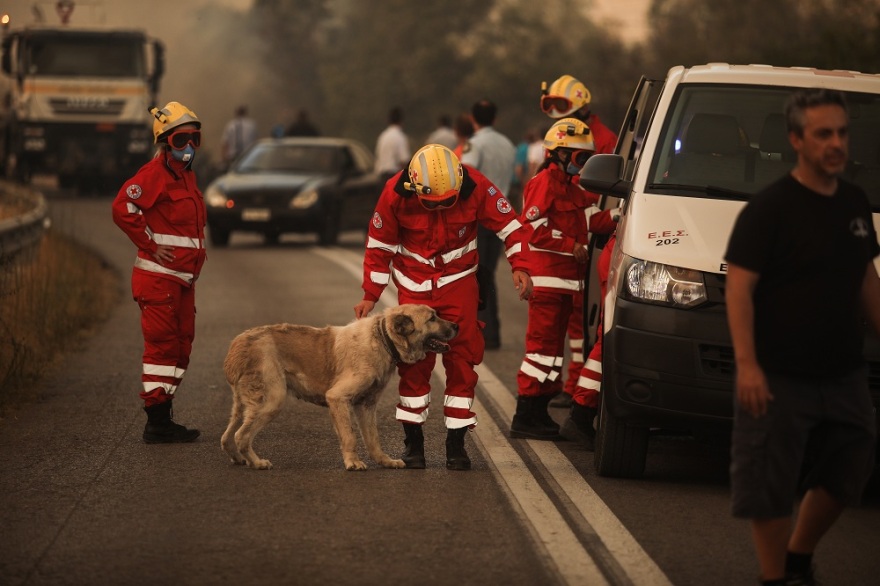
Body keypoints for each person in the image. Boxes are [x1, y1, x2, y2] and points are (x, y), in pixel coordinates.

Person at [725, 89, 880, 586]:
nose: (837, 143)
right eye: (823, 134)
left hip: (842, 372)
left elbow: (866, 279)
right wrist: (748, 365)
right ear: (796, 140)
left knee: (851, 467)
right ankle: (777, 577)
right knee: (769, 481)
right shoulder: (769, 210)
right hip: (778, 373)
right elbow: (739, 291)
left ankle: (799, 555)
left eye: (841, 132)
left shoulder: (854, 203)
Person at [354, 144, 533, 470]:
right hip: (413, 286)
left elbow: (512, 226)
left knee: (463, 359)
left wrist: (520, 265)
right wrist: (371, 293)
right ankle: (415, 445)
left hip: (459, 284)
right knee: (413, 364)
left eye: (447, 203)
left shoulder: (475, 185)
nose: (439, 208)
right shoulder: (395, 192)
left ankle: (456, 445)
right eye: (432, 203)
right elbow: (379, 247)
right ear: (413, 185)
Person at [511, 118, 617, 440]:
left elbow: (590, 221)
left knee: (553, 353)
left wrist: (619, 215)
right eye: (578, 157)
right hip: (547, 282)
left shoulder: (573, 188)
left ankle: (539, 410)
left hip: (567, 285)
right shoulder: (544, 182)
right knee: (541, 351)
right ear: (558, 154)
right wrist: (569, 245)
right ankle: (526, 414)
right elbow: (533, 229)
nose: (582, 164)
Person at [111, 101, 206, 444]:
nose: (189, 147)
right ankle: (157, 421)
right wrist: (149, 244)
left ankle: (163, 411)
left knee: (181, 348)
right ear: (166, 143)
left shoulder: (188, 176)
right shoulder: (153, 175)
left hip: (181, 281)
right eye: (181, 141)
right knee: (162, 348)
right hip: (158, 279)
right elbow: (123, 207)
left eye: (195, 139)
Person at [540, 74, 620, 421]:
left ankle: (575, 386)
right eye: (554, 107)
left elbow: (598, 194)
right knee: (571, 321)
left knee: (582, 320)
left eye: (563, 106)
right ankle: (567, 385)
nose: (558, 114)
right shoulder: (568, 139)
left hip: (589, 231)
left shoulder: (603, 140)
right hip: (573, 233)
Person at [460, 99, 517, 350]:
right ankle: (490, 331)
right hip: (500, 215)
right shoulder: (507, 143)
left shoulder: (474, 144)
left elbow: (466, 177)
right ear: (494, 119)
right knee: (488, 273)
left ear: (473, 119)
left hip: (479, 216)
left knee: (477, 275)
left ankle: (484, 333)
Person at [374, 106, 410, 184]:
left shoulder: (383, 136)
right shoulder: (400, 137)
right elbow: (404, 160)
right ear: (401, 121)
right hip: (394, 176)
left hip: (382, 176)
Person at [220, 105, 257, 169]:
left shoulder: (230, 125)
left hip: (233, 158)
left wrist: (224, 160)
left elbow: (225, 143)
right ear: (245, 113)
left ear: (236, 113)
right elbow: (255, 142)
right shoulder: (252, 125)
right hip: (248, 157)